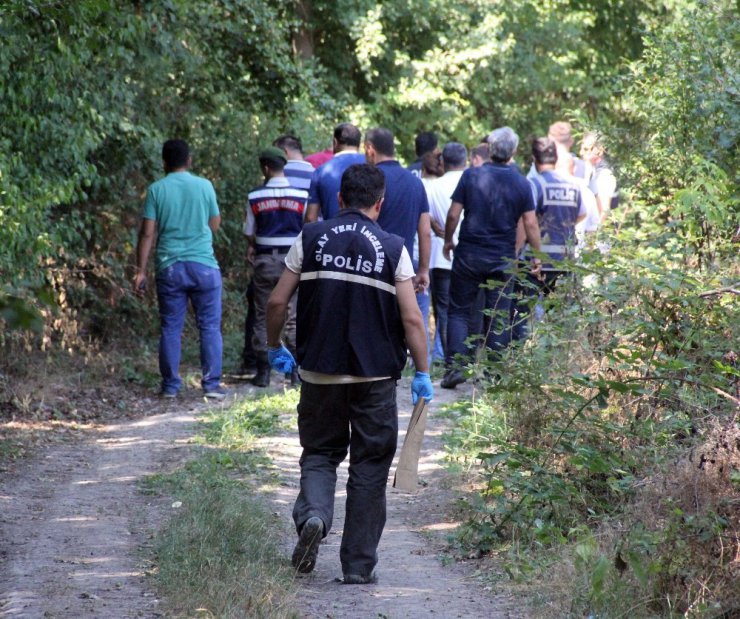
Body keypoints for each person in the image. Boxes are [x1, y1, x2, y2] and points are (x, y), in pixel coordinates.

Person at [264, 164, 433, 584]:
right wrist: (423, 371)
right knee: (370, 468)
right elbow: (412, 320)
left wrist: (274, 348)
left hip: (319, 373)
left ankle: (315, 517)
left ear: (339, 199)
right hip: (375, 378)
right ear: (380, 204)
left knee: (320, 453)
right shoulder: (394, 247)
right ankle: (358, 568)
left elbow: (276, 303)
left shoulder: (311, 236)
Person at [441, 127, 542, 389]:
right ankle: (496, 374)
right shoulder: (521, 183)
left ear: (490, 148)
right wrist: (537, 256)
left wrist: (448, 240)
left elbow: (453, 214)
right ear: (514, 151)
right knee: (499, 314)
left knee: (460, 312)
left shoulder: (471, 175)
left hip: (469, 255)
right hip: (503, 258)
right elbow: (530, 223)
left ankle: (455, 368)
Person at [135, 139, 226, 399]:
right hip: (204, 267)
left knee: (171, 327)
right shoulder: (205, 186)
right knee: (209, 326)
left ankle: (171, 387)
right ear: (189, 160)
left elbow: (147, 233)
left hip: (170, 268)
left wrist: (140, 271)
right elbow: (215, 225)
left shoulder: (156, 190)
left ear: (164, 162)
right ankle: (211, 386)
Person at [365, 128, 432, 359]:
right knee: (408, 315)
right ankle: (416, 360)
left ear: (370, 149)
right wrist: (423, 269)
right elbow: (424, 231)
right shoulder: (415, 183)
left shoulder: (370, 180)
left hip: (370, 260)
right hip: (404, 263)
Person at [511, 138, 586, 340]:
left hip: (535, 263)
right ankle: (557, 364)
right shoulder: (574, 186)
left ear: (534, 159)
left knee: (521, 315)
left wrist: (516, 254)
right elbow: (581, 214)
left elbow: (527, 223)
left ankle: (519, 358)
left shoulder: (534, 184)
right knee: (559, 319)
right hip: (565, 262)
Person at [245, 146, 308, 387]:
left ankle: (263, 371)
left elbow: (249, 231)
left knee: (262, 314)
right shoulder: (301, 196)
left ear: (265, 168)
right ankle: (295, 372)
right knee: (293, 314)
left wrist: (253, 245)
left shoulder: (255, 196)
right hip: (293, 261)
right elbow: (307, 228)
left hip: (265, 261)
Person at [427, 142, 467, 360]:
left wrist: (435, 224)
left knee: (444, 312)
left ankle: (451, 361)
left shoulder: (433, 186)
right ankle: (469, 359)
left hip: (441, 257)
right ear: (466, 160)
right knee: (469, 310)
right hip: (469, 254)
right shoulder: (473, 181)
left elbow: (427, 216)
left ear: (443, 162)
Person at [305, 123, 365, 223]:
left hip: (332, 234)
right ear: (359, 144)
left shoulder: (321, 172)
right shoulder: (373, 167)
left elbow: (311, 217)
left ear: (335, 142)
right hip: (368, 235)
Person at [580, 131, 619, 223]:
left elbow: (603, 212)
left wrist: (593, 236)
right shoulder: (592, 170)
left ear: (600, 151)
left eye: (586, 149)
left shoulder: (604, 175)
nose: (581, 153)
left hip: (595, 232)